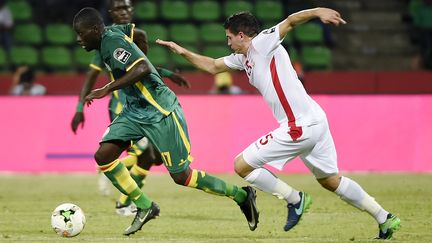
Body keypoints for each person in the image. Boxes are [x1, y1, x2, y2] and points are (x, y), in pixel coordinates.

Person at [156, 8, 401, 240]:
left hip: (300, 125)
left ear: (242, 35)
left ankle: (294, 199)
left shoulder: (263, 43)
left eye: (230, 37)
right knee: (330, 180)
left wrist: (317, 12)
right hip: (315, 119)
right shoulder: (243, 59)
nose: (228, 42)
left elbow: (291, 21)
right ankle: (385, 218)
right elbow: (212, 66)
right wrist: (181, 51)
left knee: (242, 165)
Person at [72, 7, 259, 236]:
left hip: (160, 110)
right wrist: (144, 57)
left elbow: (140, 67)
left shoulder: (111, 43)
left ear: (94, 30)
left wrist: (108, 87)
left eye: (81, 34)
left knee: (182, 176)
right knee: (104, 156)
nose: (78, 39)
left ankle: (242, 196)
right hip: (134, 110)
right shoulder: (111, 35)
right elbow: (139, 34)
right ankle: (144, 206)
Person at [71, 0, 190, 216]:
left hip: (144, 107)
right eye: (118, 8)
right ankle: (124, 200)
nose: (123, 12)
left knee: (151, 158)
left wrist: (171, 75)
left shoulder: (127, 37)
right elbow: (91, 78)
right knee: (145, 154)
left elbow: (143, 66)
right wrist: (80, 107)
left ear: (132, 10)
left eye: (126, 7)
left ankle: (127, 198)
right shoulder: (102, 42)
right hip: (123, 107)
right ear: (111, 14)